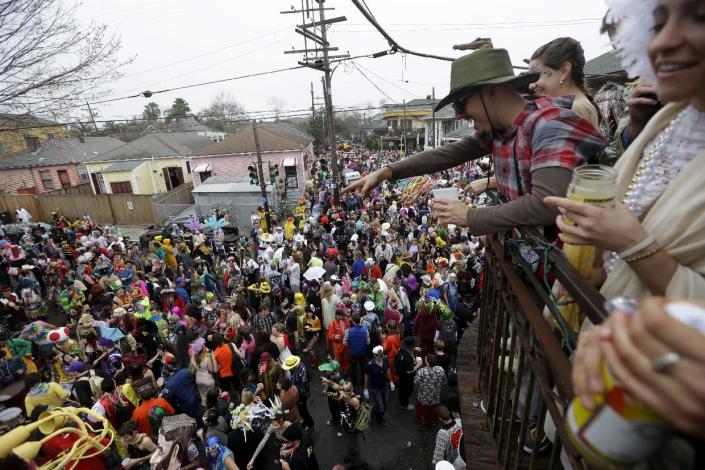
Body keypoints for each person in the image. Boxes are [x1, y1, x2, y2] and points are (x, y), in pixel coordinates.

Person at [344, 48, 606, 235]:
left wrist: (470, 216)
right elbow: (448, 153)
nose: (459, 115)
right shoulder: (500, 130)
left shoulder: (548, 126)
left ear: (490, 92)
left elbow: (547, 205)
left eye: (462, 103)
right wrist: (386, 172)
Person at [544, 0, 705, 301]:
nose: (661, 42)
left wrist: (630, 241)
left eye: (700, 18)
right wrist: (603, 273)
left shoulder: (583, 106)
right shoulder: (673, 116)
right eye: (657, 25)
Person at [283, 355, 315, 430]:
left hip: (301, 396)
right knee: (301, 411)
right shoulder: (294, 369)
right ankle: (304, 423)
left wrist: (297, 397)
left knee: (304, 411)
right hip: (297, 393)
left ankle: (311, 425)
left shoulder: (303, 372)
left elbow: (304, 387)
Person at [364, 345, 394, 424]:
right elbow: (366, 376)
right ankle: (375, 415)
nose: (380, 357)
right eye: (377, 355)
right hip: (375, 388)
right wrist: (366, 389)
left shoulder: (385, 359)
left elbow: (387, 369)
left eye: (381, 355)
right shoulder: (370, 364)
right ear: (374, 355)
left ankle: (378, 416)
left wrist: (391, 381)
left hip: (385, 386)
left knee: (385, 404)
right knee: (381, 407)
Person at [415, 354, 446, 425]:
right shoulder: (440, 369)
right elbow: (444, 381)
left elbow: (415, 382)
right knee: (433, 410)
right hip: (435, 396)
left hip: (424, 397)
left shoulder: (422, 371)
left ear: (427, 362)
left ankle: (424, 420)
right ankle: (433, 421)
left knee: (424, 410)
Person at [344, 313, 369, 387]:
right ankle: (362, 383)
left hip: (352, 353)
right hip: (362, 353)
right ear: (360, 321)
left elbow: (345, 342)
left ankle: (354, 384)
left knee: (353, 369)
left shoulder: (348, 331)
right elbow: (368, 342)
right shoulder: (365, 330)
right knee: (363, 368)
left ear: (353, 321)